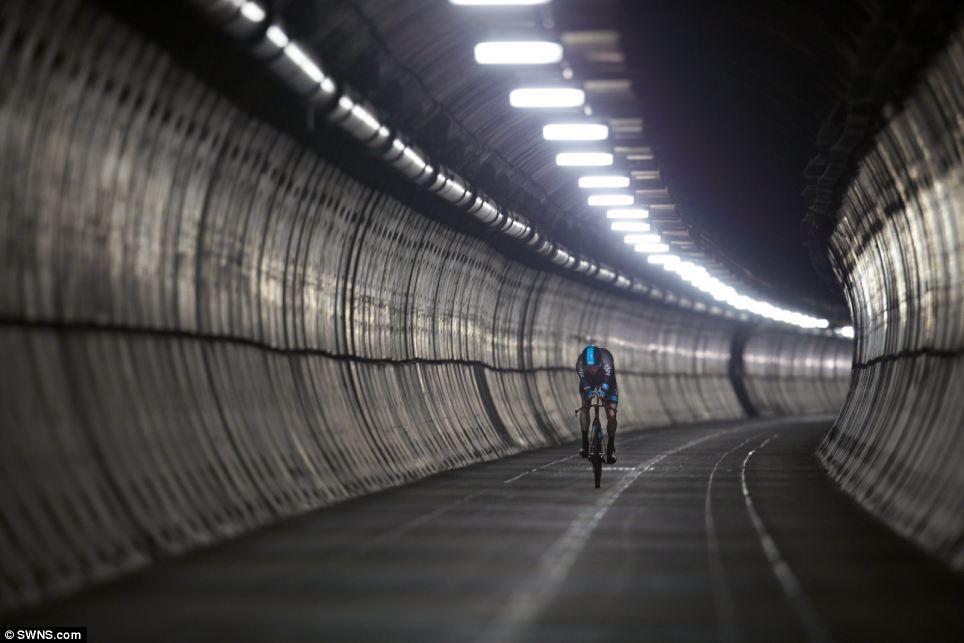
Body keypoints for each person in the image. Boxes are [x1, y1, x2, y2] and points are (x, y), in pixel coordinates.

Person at [576, 344, 618, 464]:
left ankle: (610, 447)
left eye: (595, 366)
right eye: (589, 367)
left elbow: (607, 380)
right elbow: (584, 381)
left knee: (611, 414)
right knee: (585, 407)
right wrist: (589, 391)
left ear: (600, 363)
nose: (592, 369)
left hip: (607, 382)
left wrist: (603, 392)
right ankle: (585, 443)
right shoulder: (579, 364)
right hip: (588, 381)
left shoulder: (607, 360)